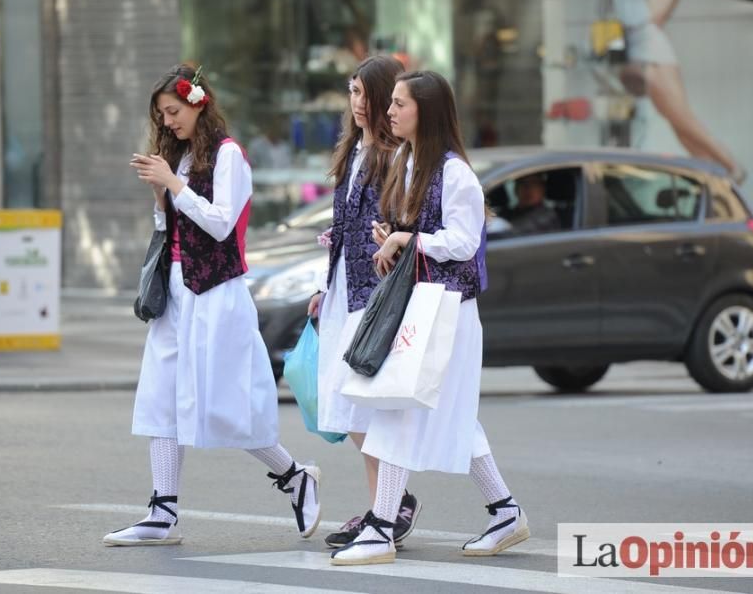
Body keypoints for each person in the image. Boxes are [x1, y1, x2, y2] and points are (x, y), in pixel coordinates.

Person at [104, 63, 320, 546]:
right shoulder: (177, 159)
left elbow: (222, 224)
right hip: (176, 292)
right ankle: (162, 513)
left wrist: (174, 187)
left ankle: (295, 475)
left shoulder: (229, 157)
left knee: (225, 406)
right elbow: (169, 231)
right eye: (161, 115)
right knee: (161, 399)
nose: (168, 122)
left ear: (199, 103)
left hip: (218, 293)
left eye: (174, 110)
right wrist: (163, 195)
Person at [329, 70, 530, 566]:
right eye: (391, 103)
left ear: (426, 111)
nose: (390, 112)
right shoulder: (404, 158)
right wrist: (391, 241)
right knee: (451, 417)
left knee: (398, 408)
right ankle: (506, 512)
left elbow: (464, 241)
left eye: (400, 104)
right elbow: (412, 229)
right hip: (420, 305)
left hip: (449, 313)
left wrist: (411, 241)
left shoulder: (455, 171)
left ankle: (380, 525)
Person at [305, 55, 422, 550]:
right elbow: (351, 220)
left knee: (363, 404)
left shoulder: (397, 156)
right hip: (341, 289)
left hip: (373, 294)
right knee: (343, 405)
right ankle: (389, 506)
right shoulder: (352, 152)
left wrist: (386, 236)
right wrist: (323, 276)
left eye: (363, 94)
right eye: (350, 93)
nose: (356, 104)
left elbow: (408, 222)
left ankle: (384, 511)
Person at [598, 0, 745, 183]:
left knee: (682, 118)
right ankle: (716, 178)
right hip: (625, 43)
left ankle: (732, 168)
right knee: (676, 122)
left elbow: (657, 13)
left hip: (648, 41)